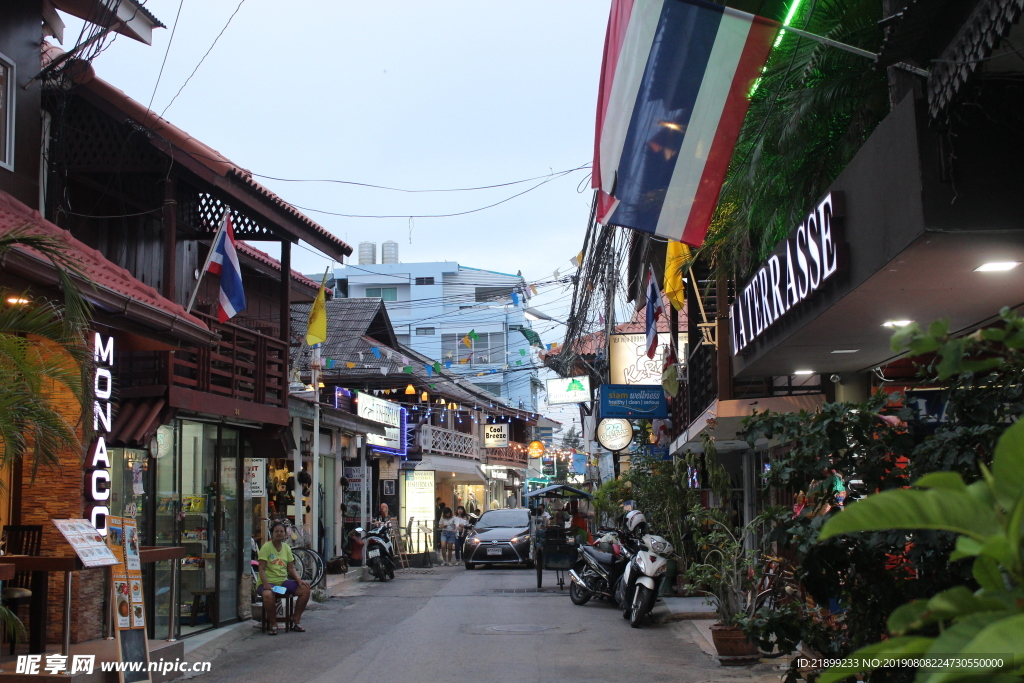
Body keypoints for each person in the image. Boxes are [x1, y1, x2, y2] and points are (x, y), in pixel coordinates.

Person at [257, 521, 311, 635]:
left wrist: (298, 580)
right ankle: (273, 624)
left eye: (281, 531)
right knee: (268, 594)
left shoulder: (286, 547)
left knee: (305, 589)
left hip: (283, 582)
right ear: (272, 533)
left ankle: (295, 620)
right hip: (268, 583)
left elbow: (291, 568)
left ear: (285, 534)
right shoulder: (266, 547)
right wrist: (266, 584)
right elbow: (261, 568)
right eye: (276, 531)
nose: (279, 534)